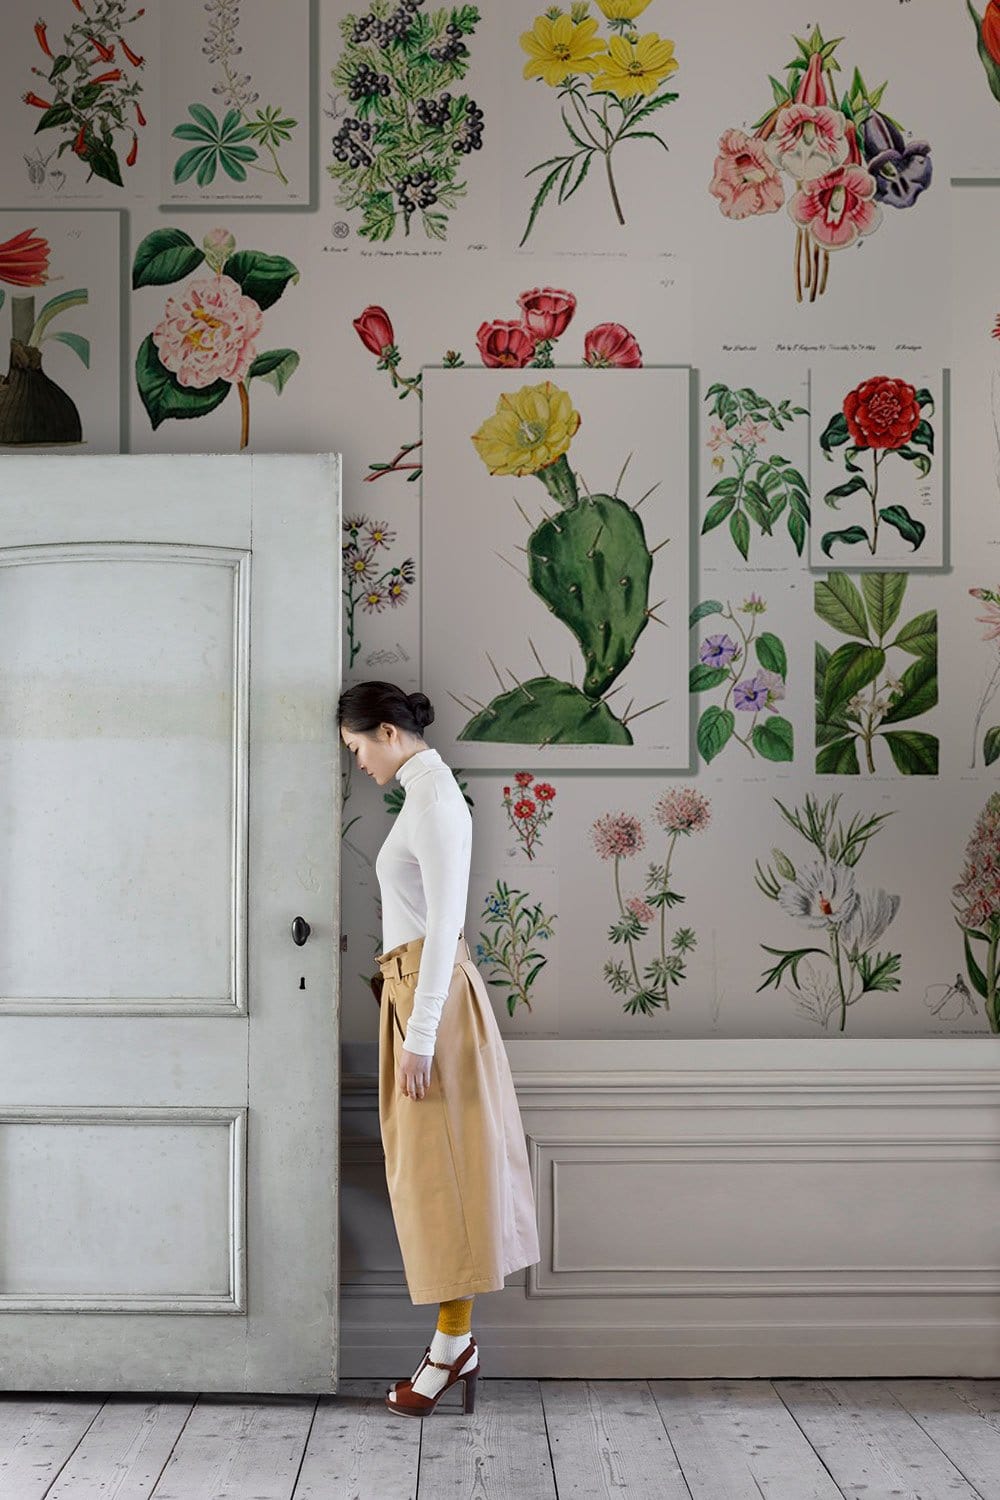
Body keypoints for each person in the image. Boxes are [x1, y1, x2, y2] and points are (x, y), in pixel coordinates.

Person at [338, 680, 541, 1417]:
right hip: (412, 998)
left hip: (434, 1007)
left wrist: (421, 1036)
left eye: (357, 747)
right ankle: (453, 1343)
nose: (357, 761)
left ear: (387, 732)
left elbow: (447, 924)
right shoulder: (420, 797)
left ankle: (451, 1347)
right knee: (429, 1180)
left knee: (439, 1180)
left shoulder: (436, 803)